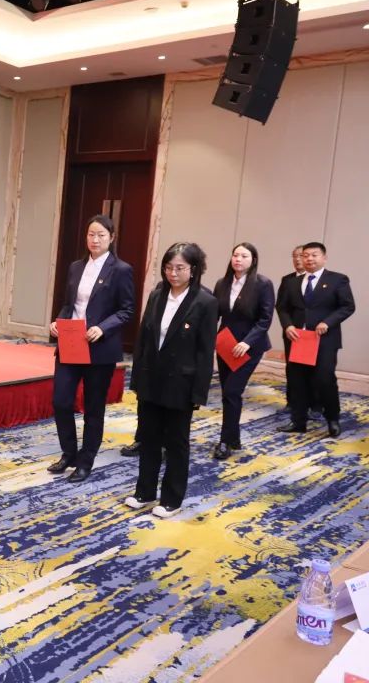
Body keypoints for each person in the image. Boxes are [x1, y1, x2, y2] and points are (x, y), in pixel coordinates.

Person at [125, 242, 217, 518]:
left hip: (180, 383)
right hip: (151, 378)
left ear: (194, 269)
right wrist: (137, 378)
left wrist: (198, 392)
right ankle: (144, 492)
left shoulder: (205, 302)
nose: (173, 274)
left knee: (176, 443)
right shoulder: (157, 296)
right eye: (168, 268)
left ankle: (172, 499)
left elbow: (205, 351)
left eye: (179, 268)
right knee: (149, 438)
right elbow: (143, 339)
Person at [46, 214, 134, 482]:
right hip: (71, 343)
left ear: (112, 238)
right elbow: (69, 304)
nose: (95, 240)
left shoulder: (121, 270)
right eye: (91, 234)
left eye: (101, 235)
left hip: (99, 348)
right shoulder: (75, 267)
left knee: (94, 408)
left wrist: (103, 328)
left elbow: (127, 310)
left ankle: (86, 461)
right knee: (61, 401)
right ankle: (69, 453)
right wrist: (58, 322)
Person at [276, 242, 356, 437]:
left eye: (314, 255)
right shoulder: (292, 282)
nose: (309, 259)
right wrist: (288, 325)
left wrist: (328, 322)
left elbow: (347, 306)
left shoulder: (337, 280)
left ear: (324, 258)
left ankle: (332, 419)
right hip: (298, 339)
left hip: (324, 340)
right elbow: (282, 307)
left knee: (324, 379)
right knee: (297, 381)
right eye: (305, 255)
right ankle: (298, 421)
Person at [212, 243, 274, 460]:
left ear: (253, 260)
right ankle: (234, 437)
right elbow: (215, 315)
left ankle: (225, 441)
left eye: (244, 256)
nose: (238, 259)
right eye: (235, 255)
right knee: (229, 393)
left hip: (249, 348)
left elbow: (265, 319)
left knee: (232, 391)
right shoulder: (222, 283)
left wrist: (247, 342)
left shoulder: (262, 284)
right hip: (226, 345)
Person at [275, 245, 305, 412]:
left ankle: (315, 405)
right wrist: (287, 325)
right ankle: (292, 402)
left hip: (313, 333)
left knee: (313, 371)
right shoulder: (287, 280)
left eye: (301, 255)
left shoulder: (320, 280)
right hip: (292, 331)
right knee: (292, 368)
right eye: (294, 256)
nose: (297, 259)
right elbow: (281, 306)